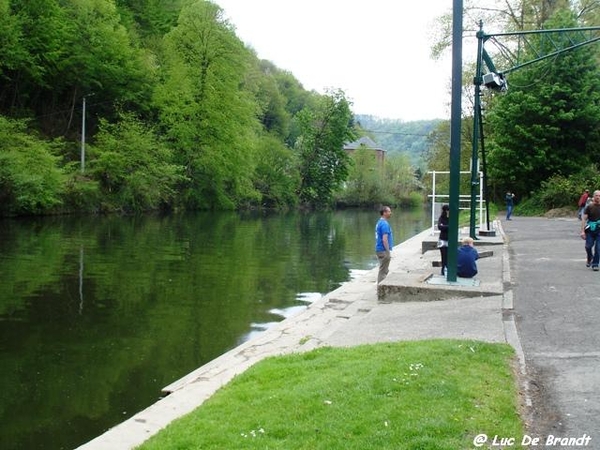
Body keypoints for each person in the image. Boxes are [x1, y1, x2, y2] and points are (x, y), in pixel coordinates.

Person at [580, 190, 600, 271]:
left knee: (598, 248)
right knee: (588, 246)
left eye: (599, 195)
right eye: (596, 195)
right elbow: (584, 219)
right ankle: (589, 257)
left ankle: (595, 264)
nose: (598, 197)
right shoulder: (589, 207)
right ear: (593, 196)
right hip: (590, 230)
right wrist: (582, 231)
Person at [375, 206, 394, 283]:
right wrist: (387, 251)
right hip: (383, 250)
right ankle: (380, 289)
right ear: (384, 213)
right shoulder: (384, 224)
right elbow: (384, 239)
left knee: (384, 269)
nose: (390, 213)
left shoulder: (379, 222)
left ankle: (381, 287)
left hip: (379, 249)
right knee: (383, 271)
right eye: (389, 211)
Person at [437, 204, 449, 275]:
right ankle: (443, 270)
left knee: (448, 256)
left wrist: (444, 226)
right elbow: (439, 227)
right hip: (442, 240)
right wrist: (448, 227)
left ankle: (447, 269)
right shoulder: (441, 218)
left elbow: (454, 226)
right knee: (443, 256)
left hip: (449, 239)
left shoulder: (452, 218)